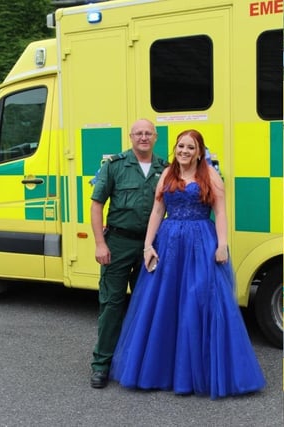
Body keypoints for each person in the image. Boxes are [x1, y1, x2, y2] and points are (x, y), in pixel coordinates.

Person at [109, 129, 266, 398]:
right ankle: (164, 371)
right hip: (168, 244)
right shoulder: (167, 175)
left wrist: (222, 245)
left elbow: (220, 212)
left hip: (200, 243)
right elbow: (158, 211)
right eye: (181, 146)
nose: (184, 151)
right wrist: (148, 246)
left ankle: (200, 373)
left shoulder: (210, 176)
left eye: (190, 147)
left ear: (199, 152)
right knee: (165, 305)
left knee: (199, 302)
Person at [89, 119, 168, 389]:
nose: (143, 137)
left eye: (148, 133)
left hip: (151, 246)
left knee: (147, 305)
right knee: (111, 305)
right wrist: (100, 244)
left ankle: (141, 365)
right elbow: (97, 205)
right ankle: (101, 365)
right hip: (119, 243)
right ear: (131, 136)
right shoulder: (114, 166)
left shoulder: (165, 169)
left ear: (155, 137)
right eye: (139, 133)